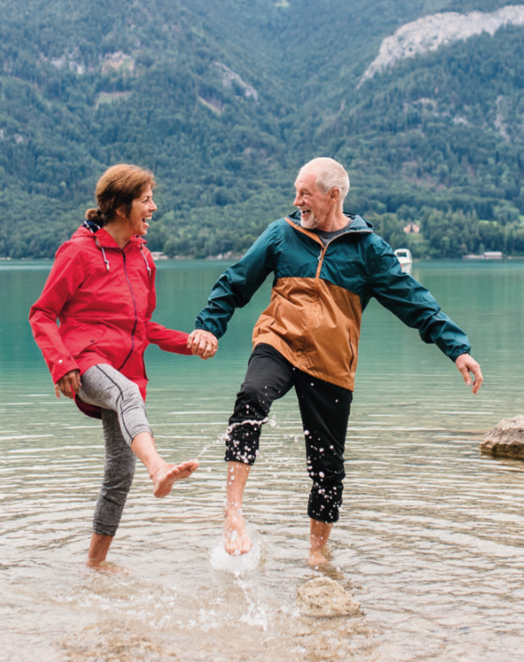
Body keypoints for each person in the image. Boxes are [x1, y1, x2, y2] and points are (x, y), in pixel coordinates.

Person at [188, 157, 483, 566]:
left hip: (331, 363)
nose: (297, 201)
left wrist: (457, 348)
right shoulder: (282, 234)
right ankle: (233, 512)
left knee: (327, 463)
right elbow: (235, 281)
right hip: (278, 342)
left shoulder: (367, 250)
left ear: (333, 195)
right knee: (251, 397)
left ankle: (318, 553)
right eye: (296, 192)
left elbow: (413, 299)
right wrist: (208, 326)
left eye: (304, 194)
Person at [29, 164, 217, 569]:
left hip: (126, 369)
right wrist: (60, 364)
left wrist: (190, 343)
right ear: (120, 207)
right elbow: (42, 313)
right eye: (146, 199)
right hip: (85, 363)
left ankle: (94, 567)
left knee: (118, 472)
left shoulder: (144, 259)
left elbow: (143, 326)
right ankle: (159, 468)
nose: (154, 207)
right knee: (127, 394)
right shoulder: (78, 252)